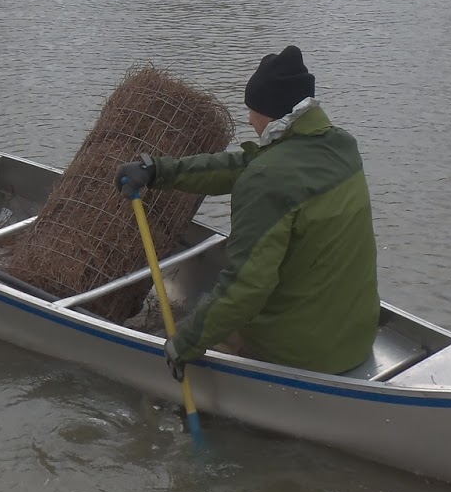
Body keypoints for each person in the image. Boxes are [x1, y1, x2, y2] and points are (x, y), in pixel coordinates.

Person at [115, 45, 379, 377]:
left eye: (251, 110)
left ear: (269, 112)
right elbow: (242, 164)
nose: (249, 119)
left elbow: (245, 288)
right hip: (355, 337)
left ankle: (190, 412)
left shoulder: (268, 180)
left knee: (185, 337)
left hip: (304, 352)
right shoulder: (340, 147)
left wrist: (184, 343)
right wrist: (159, 171)